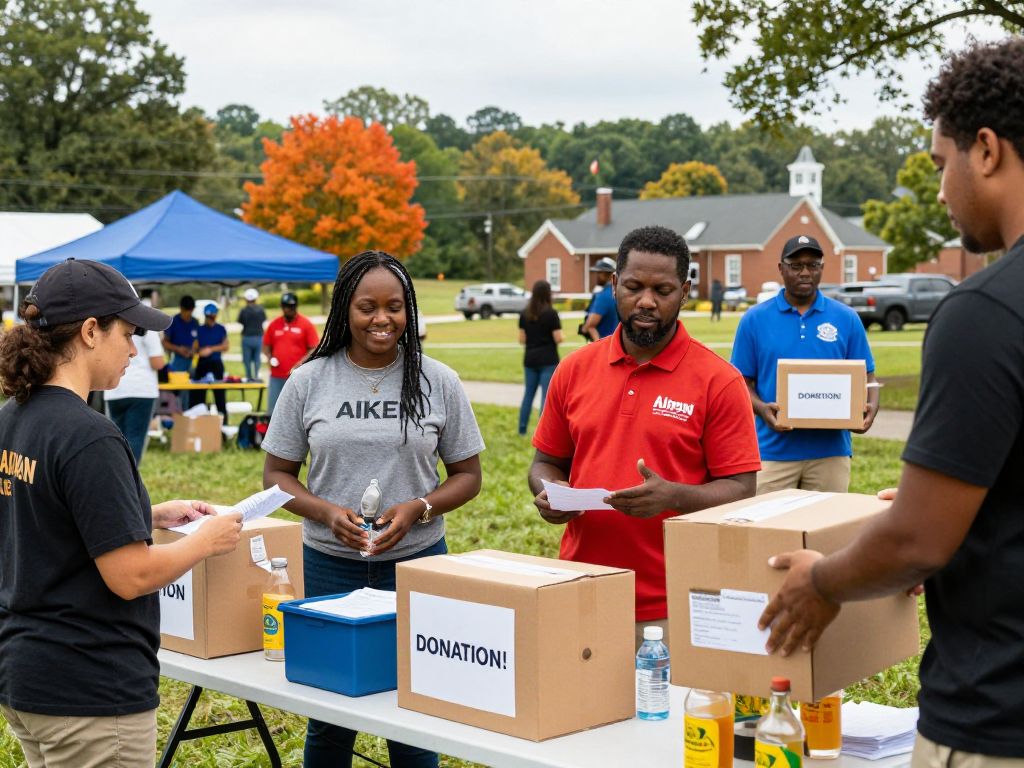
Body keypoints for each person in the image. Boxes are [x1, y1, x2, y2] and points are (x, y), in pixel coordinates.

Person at [757, 39, 1024, 765]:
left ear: (989, 151)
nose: (940, 192)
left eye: (943, 165)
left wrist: (824, 580)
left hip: (995, 718)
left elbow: (915, 542)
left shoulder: (986, 313)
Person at [0, 258, 242, 768]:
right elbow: (130, 577)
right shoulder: (89, 435)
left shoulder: (12, 419)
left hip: (26, 675)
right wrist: (206, 539)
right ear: (91, 332)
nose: (134, 349)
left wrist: (145, 514)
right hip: (89, 686)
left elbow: (41, 515)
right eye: (127, 333)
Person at [261, 250, 484, 768]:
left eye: (395, 306)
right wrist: (323, 512)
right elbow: (276, 475)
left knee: (413, 707)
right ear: (345, 310)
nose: (382, 319)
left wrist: (419, 508)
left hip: (416, 562)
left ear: (409, 310)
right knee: (332, 710)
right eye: (367, 307)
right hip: (329, 564)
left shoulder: (438, 380)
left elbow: (469, 476)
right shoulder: (309, 380)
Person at [528, 225, 761, 644]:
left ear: (685, 292)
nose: (647, 302)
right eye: (634, 286)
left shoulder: (718, 381)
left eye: (663, 290)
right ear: (614, 284)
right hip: (580, 588)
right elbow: (546, 461)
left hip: (674, 605)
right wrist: (552, 492)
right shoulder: (575, 369)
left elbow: (743, 489)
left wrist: (673, 497)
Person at [731, 235, 879, 494]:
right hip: (773, 452)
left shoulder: (846, 318)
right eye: (796, 265)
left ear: (821, 268)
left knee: (826, 529)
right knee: (768, 530)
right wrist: (762, 409)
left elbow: (868, 376)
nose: (804, 272)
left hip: (830, 452)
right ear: (781, 269)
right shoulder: (754, 319)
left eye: (812, 265)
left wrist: (870, 408)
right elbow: (741, 382)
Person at [105, 291, 165, 464]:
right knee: (135, 439)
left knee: (115, 441)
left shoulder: (116, 321)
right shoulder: (146, 327)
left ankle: (116, 474)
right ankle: (128, 480)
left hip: (115, 389)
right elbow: (158, 363)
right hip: (141, 389)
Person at [518, 280, 563, 436]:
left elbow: (521, 339)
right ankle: (543, 432)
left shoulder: (525, 314)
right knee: (546, 397)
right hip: (548, 359)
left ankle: (522, 429)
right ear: (548, 294)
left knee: (528, 394)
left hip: (530, 359)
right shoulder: (551, 314)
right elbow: (558, 338)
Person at [263, 292, 318, 416]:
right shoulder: (274, 324)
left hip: (298, 376)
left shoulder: (306, 324)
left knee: (296, 413)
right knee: (273, 412)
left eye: (292, 307)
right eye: (286, 306)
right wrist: (269, 358)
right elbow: (266, 345)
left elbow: (313, 348)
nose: (289, 310)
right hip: (277, 375)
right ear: (282, 307)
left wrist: (299, 364)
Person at [189, 301, 230, 419]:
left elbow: (226, 346)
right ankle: (199, 422)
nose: (211, 319)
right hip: (202, 364)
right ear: (205, 316)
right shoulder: (199, 329)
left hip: (216, 364)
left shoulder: (221, 329)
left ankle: (223, 424)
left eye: (213, 317)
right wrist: (196, 351)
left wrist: (211, 349)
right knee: (199, 396)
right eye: (208, 317)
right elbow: (195, 348)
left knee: (220, 396)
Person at [579, 257, 618, 341]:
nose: (597, 276)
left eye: (600, 272)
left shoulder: (603, 296)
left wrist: (583, 328)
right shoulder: (619, 293)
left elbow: (590, 326)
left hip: (605, 344)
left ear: (610, 274)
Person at [163, 295, 199, 374]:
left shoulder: (195, 322)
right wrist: (178, 349)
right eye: (185, 312)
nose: (187, 315)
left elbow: (197, 341)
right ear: (181, 308)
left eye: (190, 312)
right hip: (176, 360)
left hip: (192, 361)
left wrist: (193, 350)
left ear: (193, 309)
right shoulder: (173, 322)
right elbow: (165, 343)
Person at [238, 288, 267, 382]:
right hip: (259, 337)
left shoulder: (243, 310)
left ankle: (249, 377)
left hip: (246, 337)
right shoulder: (261, 310)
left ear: (246, 299)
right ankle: (257, 377)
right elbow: (263, 320)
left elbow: (241, 322)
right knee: (257, 358)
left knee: (247, 360)